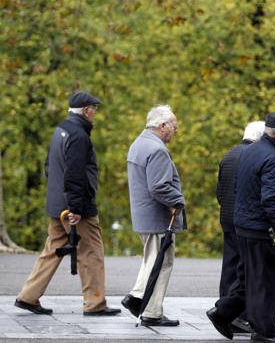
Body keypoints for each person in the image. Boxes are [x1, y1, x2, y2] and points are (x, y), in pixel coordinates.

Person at [15, 91, 120, 316]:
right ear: (85, 111)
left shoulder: (61, 130)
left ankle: (28, 296)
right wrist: (75, 208)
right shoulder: (79, 136)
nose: (95, 113)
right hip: (75, 207)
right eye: (94, 109)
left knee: (52, 250)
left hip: (57, 203)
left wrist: (61, 200)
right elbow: (74, 174)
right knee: (91, 252)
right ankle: (95, 304)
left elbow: (49, 166)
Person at [207, 112, 275, 343]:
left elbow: (237, 190)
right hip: (260, 230)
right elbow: (270, 199)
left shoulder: (248, 152)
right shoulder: (271, 159)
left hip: (242, 227)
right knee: (267, 282)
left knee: (247, 279)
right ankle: (264, 332)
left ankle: (222, 312)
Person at [122, 105, 185, 327]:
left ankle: (140, 300)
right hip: (157, 217)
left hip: (144, 216)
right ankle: (148, 309)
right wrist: (178, 201)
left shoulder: (139, 144)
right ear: (162, 125)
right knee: (162, 262)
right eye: (174, 126)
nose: (175, 130)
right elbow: (159, 187)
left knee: (153, 260)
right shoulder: (156, 149)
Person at [216, 121, 265, 334]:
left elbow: (220, 190)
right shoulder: (254, 157)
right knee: (246, 270)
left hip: (226, 217)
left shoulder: (229, 155)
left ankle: (224, 311)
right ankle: (238, 316)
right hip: (244, 222)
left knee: (229, 267)